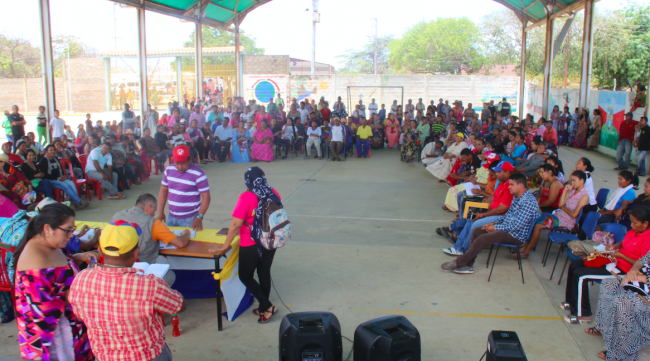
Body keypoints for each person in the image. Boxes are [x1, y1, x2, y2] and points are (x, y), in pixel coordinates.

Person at [69, 220, 186, 361]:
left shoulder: (81, 279)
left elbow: (80, 316)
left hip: (104, 357)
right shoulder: (150, 285)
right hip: (147, 356)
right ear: (136, 251)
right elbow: (179, 306)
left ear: (99, 249)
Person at [13, 203, 95, 360]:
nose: (71, 235)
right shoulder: (34, 260)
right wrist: (80, 293)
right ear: (48, 228)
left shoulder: (51, 244)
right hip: (52, 341)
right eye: (67, 230)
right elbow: (43, 309)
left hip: (70, 330)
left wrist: (76, 259)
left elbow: (56, 271)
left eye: (73, 229)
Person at [209, 167, 281, 323]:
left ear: (247, 182)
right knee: (264, 272)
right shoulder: (273, 192)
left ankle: (268, 306)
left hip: (251, 243)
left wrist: (225, 245)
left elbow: (235, 225)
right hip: (271, 240)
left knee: (245, 276)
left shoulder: (246, 197)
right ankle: (263, 308)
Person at [563, 206, 650, 324]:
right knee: (575, 265)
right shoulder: (634, 231)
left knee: (581, 275)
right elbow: (623, 243)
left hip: (622, 271)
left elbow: (643, 264)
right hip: (612, 261)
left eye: (635, 223)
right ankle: (571, 301)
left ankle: (583, 315)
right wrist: (614, 247)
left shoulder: (647, 239)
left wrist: (621, 256)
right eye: (631, 222)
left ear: (646, 224)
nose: (632, 225)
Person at [441, 172, 538, 274]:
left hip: (516, 235)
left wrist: (496, 228)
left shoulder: (528, 202)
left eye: (512, 184)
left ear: (521, 185)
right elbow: (507, 216)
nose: (509, 187)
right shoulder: (517, 197)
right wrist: (493, 224)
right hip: (508, 229)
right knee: (477, 231)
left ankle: (459, 262)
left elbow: (517, 226)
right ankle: (468, 264)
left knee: (483, 239)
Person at [111, 193, 190, 285]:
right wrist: (186, 234)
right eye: (154, 210)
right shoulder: (153, 223)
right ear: (149, 207)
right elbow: (180, 243)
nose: (154, 214)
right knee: (170, 275)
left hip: (115, 267)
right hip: (139, 270)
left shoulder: (117, 216)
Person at [441, 161, 514, 256]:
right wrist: (481, 208)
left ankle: (462, 249)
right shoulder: (502, 182)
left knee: (474, 223)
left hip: (501, 217)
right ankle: (458, 245)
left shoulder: (510, 186)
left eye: (499, 172)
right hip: (493, 212)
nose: (496, 174)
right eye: (496, 171)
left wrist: (483, 214)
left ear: (507, 173)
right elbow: (493, 198)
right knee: (470, 218)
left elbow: (501, 210)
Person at [593, 249, 650, 360]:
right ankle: (606, 330)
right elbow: (643, 260)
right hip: (643, 285)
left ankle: (622, 353)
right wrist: (634, 270)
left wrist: (641, 278)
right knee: (608, 284)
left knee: (623, 303)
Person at [520, 170, 589, 258]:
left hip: (566, 221)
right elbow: (560, 204)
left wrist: (563, 208)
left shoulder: (584, 196)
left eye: (574, 180)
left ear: (582, 180)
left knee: (537, 226)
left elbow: (574, 214)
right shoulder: (572, 191)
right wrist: (565, 191)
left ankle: (526, 251)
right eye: (571, 180)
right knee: (534, 219)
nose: (572, 182)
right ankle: (528, 244)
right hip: (558, 215)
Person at [158, 145, 210, 230]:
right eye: (177, 163)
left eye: (183, 163)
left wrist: (199, 217)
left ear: (190, 160)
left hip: (190, 219)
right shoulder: (168, 170)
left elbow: (206, 197)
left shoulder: (199, 174)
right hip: (171, 217)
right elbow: (163, 191)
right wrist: (160, 212)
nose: (180, 167)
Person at [39, 144, 87, 210]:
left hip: (60, 179)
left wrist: (62, 176)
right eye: (51, 150)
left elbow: (60, 169)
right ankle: (79, 201)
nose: (53, 151)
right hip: (50, 180)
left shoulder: (55, 158)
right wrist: (57, 178)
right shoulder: (44, 160)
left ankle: (76, 204)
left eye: (54, 150)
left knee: (72, 184)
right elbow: (44, 174)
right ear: (46, 151)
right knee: (65, 185)